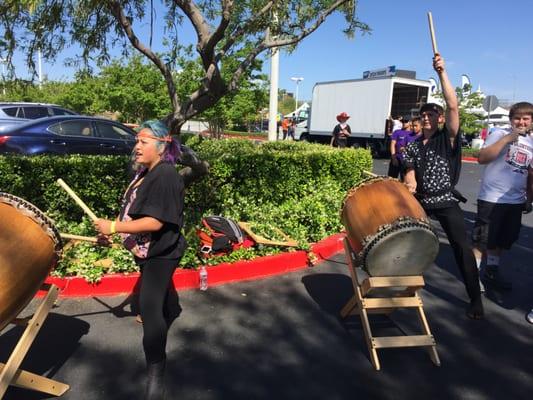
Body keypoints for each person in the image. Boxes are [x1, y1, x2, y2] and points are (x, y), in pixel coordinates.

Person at [94, 120, 186, 399]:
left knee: (148, 308)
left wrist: (114, 227)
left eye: (143, 142)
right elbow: (131, 213)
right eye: (136, 141)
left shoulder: (166, 175)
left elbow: (155, 222)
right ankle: (172, 307)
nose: (136, 147)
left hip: (162, 252)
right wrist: (113, 231)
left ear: (161, 147)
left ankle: (156, 374)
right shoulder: (146, 172)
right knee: (155, 290)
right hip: (144, 250)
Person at [403, 53, 484, 320]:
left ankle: (475, 299)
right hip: (422, 203)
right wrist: (410, 180)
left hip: (446, 201)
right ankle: (402, 290)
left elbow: (453, 105)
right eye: (423, 114)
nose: (427, 117)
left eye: (432, 114)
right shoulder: (413, 145)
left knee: (462, 249)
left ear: (438, 118)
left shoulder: (446, 138)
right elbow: (410, 169)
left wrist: (442, 72)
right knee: (408, 242)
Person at [471, 102, 533, 291]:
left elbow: (530, 173)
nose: (521, 122)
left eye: (526, 118)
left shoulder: (531, 143)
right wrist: (507, 139)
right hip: (492, 198)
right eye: (517, 118)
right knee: (482, 240)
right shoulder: (499, 133)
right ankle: (473, 278)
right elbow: (482, 158)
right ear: (511, 119)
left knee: (501, 241)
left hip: (516, 201)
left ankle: (492, 271)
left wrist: (529, 199)